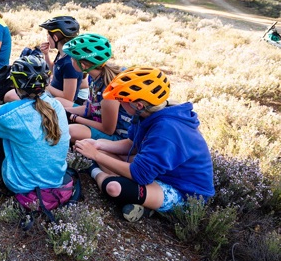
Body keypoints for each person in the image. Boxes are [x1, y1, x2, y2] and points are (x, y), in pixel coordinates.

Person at [74, 66, 215, 222]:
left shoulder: (166, 130)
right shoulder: (145, 115)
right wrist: (99, 145)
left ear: (138, 105)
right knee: (104, 155)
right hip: (161, 175)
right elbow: (131, 144)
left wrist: (95, 155)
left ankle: (93, 170)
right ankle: (144, 205)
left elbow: (139, 174)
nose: (120, 104)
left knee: (114, 187)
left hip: (186, 194)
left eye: (122, 100)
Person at [0, 55, 70, 196]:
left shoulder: (13, 114)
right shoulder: (56, 105)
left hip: (22, 184)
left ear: (15, 84)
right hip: (56, 179)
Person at [57, 33, 132, 143]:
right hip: (100, 119)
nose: (70, 61)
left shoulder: (109, 93)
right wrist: (61, 111)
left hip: (119, 138)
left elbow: (108, 130)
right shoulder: (94, 77)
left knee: (71, 131)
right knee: (58, 103)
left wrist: (74, 117)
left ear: (83, 65)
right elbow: (89, 109)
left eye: (72, 59)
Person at [6, 16, 82, 102]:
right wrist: (46, 54)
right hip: (50, 94)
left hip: (57, 101)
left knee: (10, 96)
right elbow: (55, 71)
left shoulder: (69, 63)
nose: (47, 38)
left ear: (55, 38)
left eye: (48, 35)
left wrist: (45, 86)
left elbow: (68, 98)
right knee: (12, 93)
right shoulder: (62, 54)